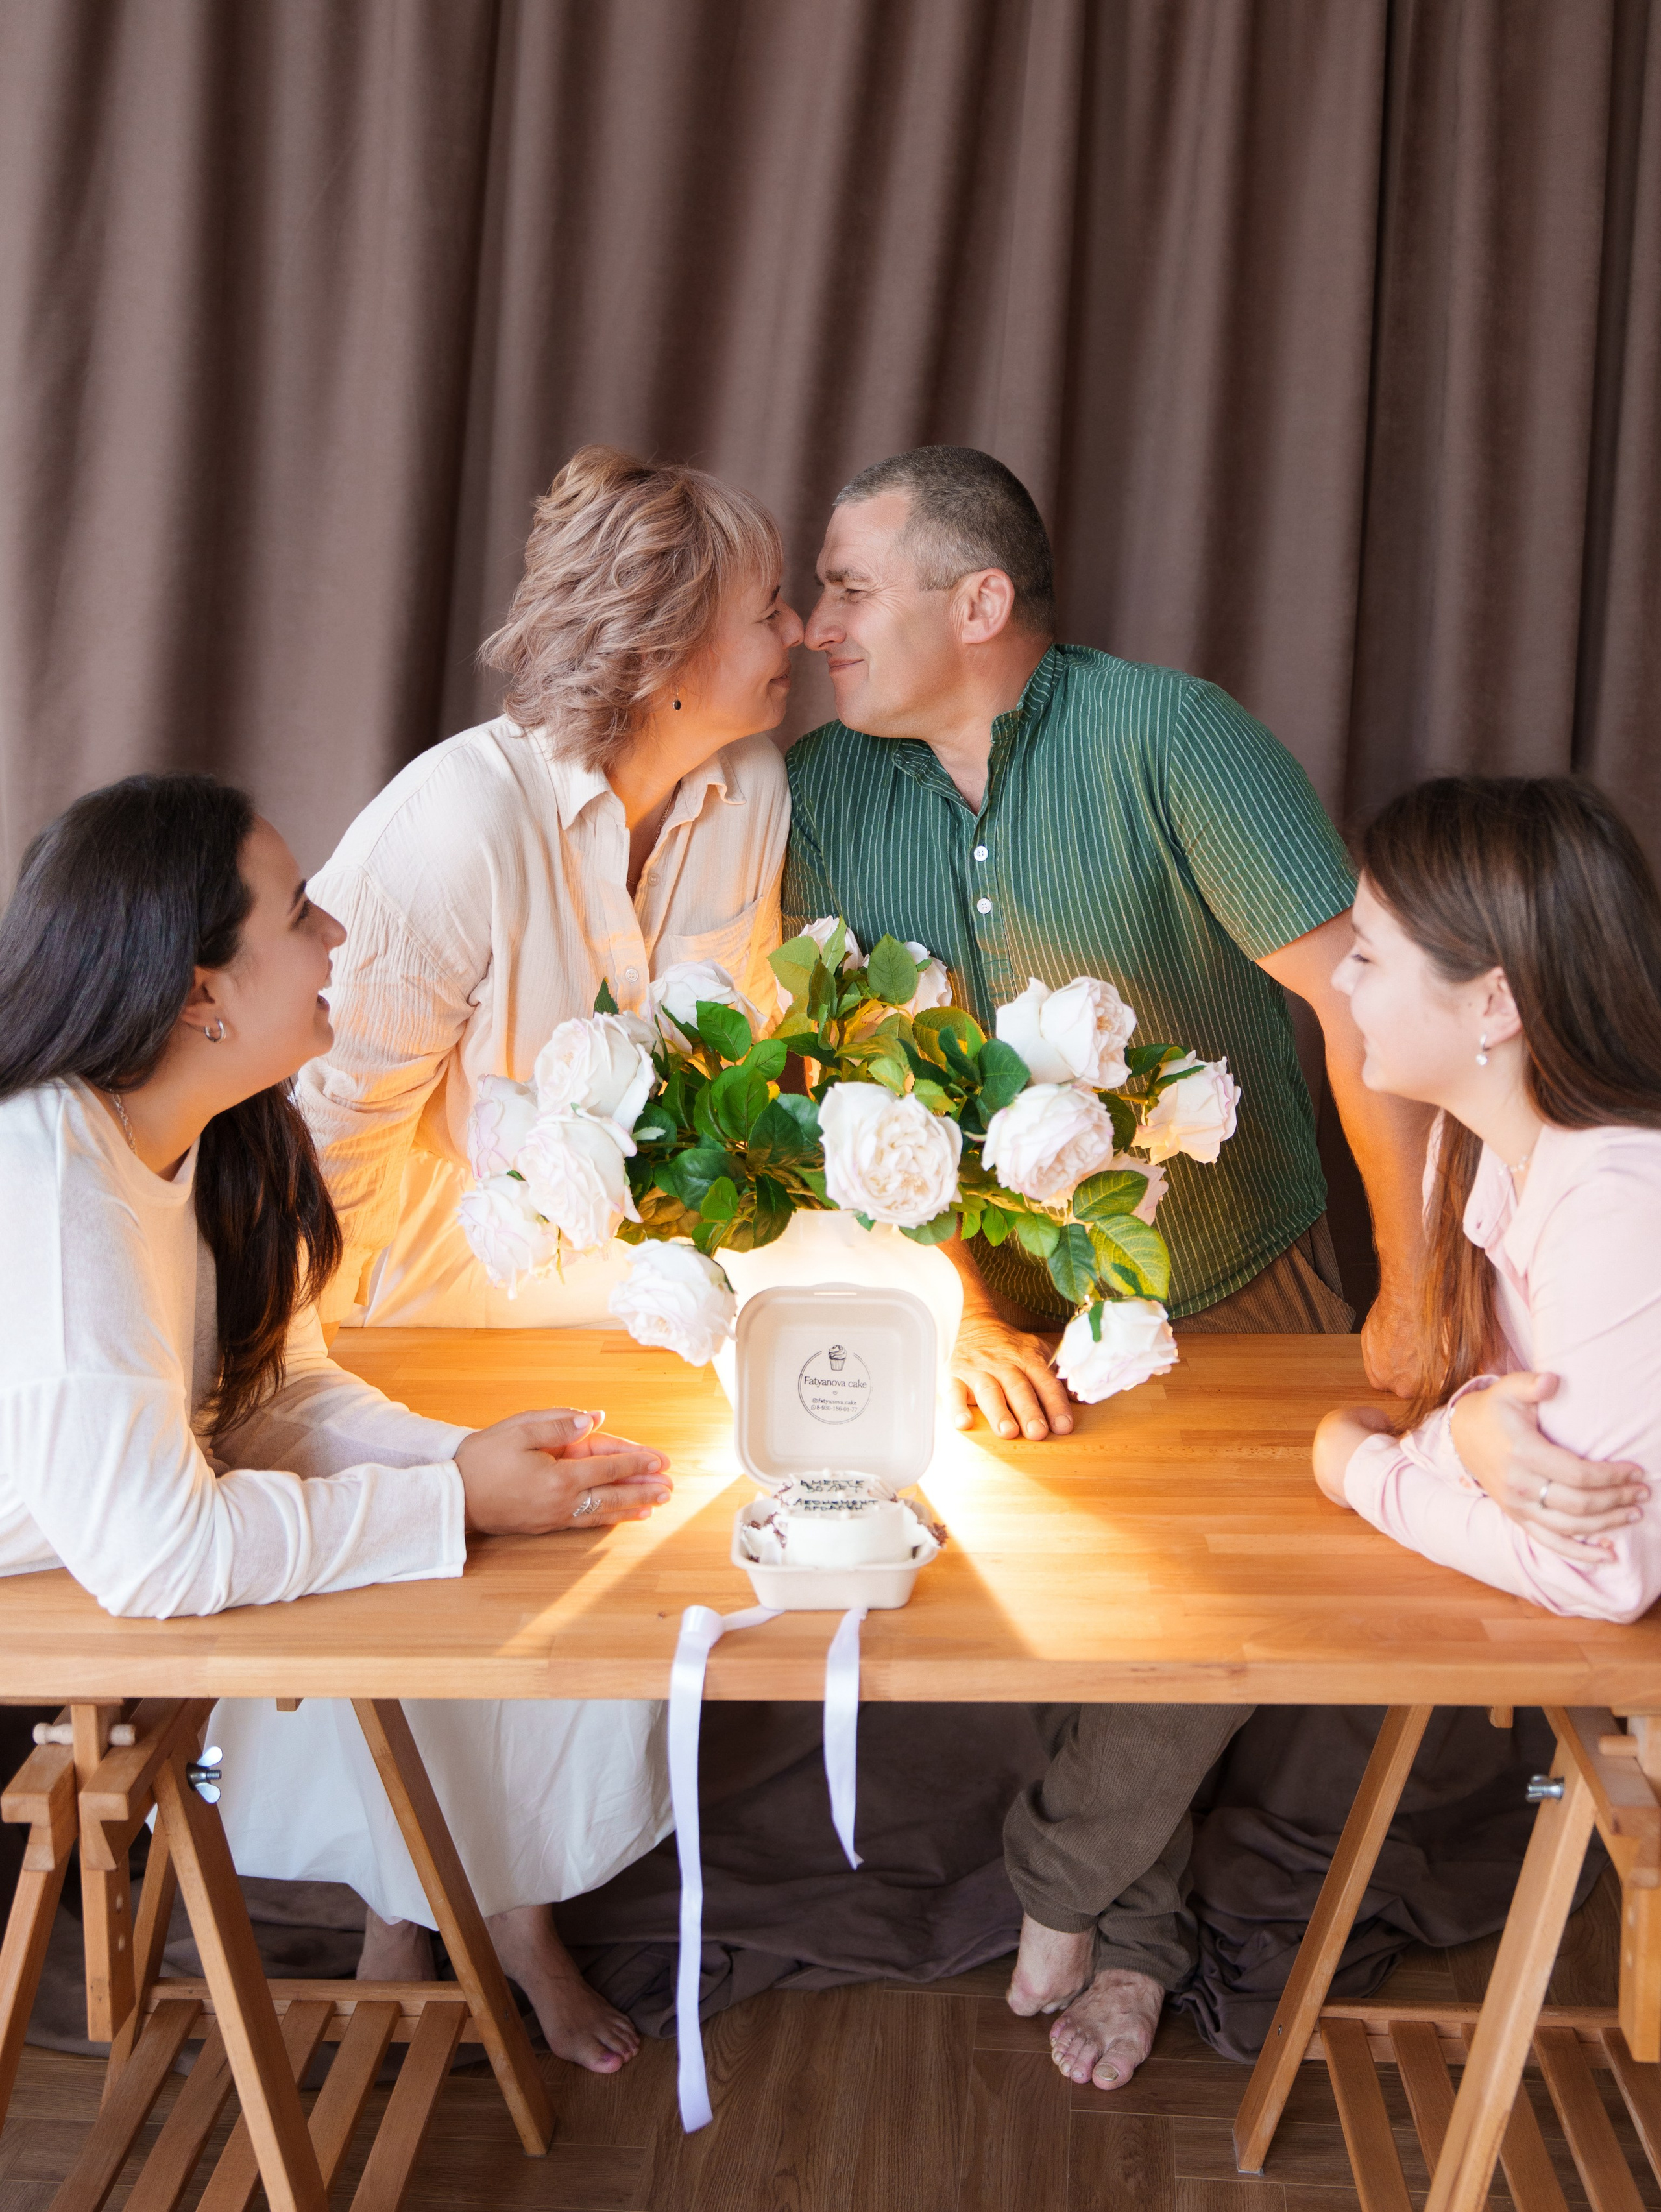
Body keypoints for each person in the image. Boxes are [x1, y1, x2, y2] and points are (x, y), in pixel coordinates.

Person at [781, 446, 1627, 2091]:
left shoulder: (1172, 736)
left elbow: (1357, 1009)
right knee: (1079, 1622)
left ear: (979, 601)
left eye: (845, 584)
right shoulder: (824, 793)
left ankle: (1084, 1907)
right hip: (999, 1310)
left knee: (1202, 1625)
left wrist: (1406, 1282)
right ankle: (1120, 1925)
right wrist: (945, 1306)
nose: (818, 623)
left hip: (1239, 1272)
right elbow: (844, 1077)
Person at [0, 775, 678, 2073]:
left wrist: (464, 1463)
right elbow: (159, 1554)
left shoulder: (209, 1130)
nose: (338, 936)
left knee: (513, 1563)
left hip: (108, 1534)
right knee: (433, 1557)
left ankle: (488, 1909)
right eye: (300, 910)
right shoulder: (54, 1193)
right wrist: (453, 1501)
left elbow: (275, 1391)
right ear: (199, 988)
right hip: (89, 1565)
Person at [303, 445, 801, 1330]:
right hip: (432, 1334)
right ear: (668, 650)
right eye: (769, 611)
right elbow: (332, 1146)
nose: (799, 629)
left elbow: (749, 1069)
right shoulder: (452, 826)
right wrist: (317, 1399)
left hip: (655, 1330)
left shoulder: (754, 786)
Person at [1313, 776, 1659, 1618]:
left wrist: (1356, 1466)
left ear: (1494, 1002)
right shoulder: (1470, 1149)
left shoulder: (1617, 1204)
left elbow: (1600, 1572)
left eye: (1368, 954)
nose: (1342, 982)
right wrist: (1471, 1429)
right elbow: (1513, 1414)